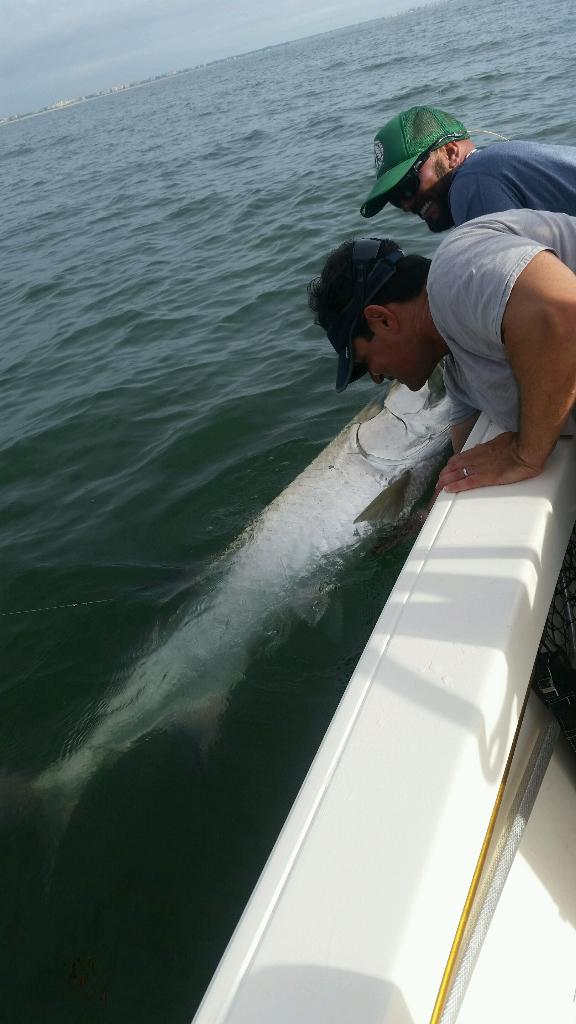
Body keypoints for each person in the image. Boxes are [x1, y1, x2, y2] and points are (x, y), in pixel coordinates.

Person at [308, 209, 576, 494]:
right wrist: (435, 502)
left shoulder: (455, 268)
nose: (374, 377)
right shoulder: (460, 375)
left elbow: (560, 313)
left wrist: (526, 454)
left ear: (382, 319)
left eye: (364, 362)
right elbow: (460, 458)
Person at [359, 105, 576, 233]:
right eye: (395, 199)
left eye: (408, 186)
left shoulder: (471, 182)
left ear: (451, 153)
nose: (406, 205)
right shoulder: (492, 166)